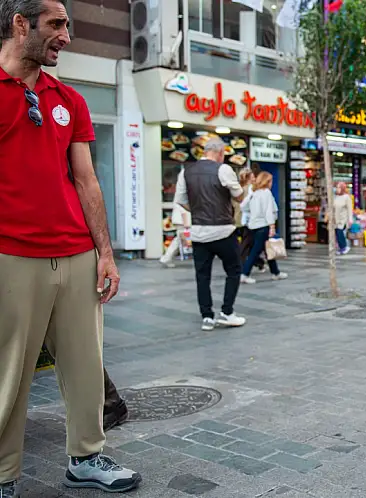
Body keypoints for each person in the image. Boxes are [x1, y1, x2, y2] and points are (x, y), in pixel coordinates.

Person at [0, 0, 141, 494]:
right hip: (12, 254)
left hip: (77, 255)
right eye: (56, 24)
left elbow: (86, 180)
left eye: (67, 24)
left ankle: (86, 457)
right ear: (21, 25)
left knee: (85, 367)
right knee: (9, 374)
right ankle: (3, 476)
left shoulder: (69, 99)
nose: (66, 34)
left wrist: (105, 253)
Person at [175, 137, 247, 331]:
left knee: (202, 276)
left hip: (198, 232)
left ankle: (207, 317)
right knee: (234, 270)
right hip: (223, 230)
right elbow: (239, 196)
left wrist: (197, 210)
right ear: (220, 152)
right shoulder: (223, 169)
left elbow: (181, 200)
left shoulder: (186, 171)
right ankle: (227, 312)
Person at [240, 172, 288, 283]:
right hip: (263, 225)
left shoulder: (254, 193)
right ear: (266, 182)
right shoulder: (266, 193)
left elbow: (243, 206)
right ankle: (245, 274)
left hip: (253, 225)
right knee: (255, 251)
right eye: (270, 181)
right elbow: (268, 211)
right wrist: (272, 226)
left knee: (267, 249)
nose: (271, 184)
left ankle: (275, 272)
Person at [333, 181, 354, 255]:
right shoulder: (336, 197)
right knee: (337, 233)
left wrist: (350, 219)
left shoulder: (346, 197)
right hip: (336, 218)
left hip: (343, 219)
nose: (337, 189)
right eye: (336, 187)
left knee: (340, 232)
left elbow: (350, 209)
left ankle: (344, 247)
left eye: (339, 187)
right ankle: (341, 248)